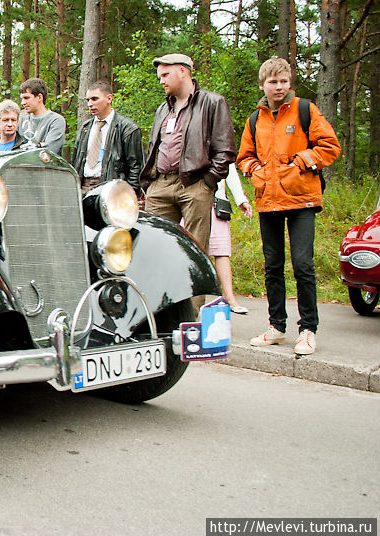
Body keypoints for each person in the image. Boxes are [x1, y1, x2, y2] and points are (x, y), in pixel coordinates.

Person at [237, 57, 341, 356]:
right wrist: (254, 170)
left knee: (303, 265)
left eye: (283, 81)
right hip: (268, 201)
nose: (279, 86)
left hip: (301, 200)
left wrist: (301, 162)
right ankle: (277, 327)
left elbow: (330, 146)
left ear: (289, 82)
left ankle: (308, 330)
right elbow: (244, 156)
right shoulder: (255, 120)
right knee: (272, 267)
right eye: (273, 82)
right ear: (263, 85)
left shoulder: (305, 110)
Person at [139, 53, 236, 256]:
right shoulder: (162, 110)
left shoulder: (213, 102)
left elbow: (225, 150)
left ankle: (194, 290)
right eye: (160, 76)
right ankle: (158, 288)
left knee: (194, 251)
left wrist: (207, 183)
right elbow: (154, 147)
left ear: (183, 71)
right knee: (153, 247)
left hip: (195, 184)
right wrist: (150, 184)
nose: (161, 81)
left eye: (165, 75)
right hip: (160, 186)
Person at [71, 81, 144, 195]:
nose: (90, 104)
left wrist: (130, 194)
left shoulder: (127, 129)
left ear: (109, 98)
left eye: (94, 99)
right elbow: (76, 161)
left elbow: (135, 167)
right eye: (88, 100)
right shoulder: (85, 128)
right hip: (83, 188)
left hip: (113, 190)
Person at [211, 164, 252, 314]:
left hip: (215, 201)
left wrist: (241, 199)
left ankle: (229, 298)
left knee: (221, 250)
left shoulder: (220, 140)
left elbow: (230, 170)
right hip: (187, 197)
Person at [18, 78, 66, 154]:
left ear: (39, 97)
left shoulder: (55, 120)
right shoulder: (21, 120)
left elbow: (49, 151)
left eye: (26, 98)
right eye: (21, 99)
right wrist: (40, 145)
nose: (22, 103)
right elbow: (14, 149)